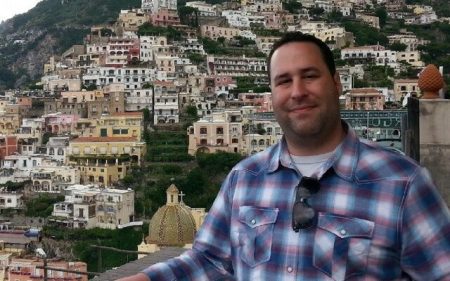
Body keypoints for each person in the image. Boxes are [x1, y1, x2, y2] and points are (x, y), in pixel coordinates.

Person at [118, 32, 450, 281]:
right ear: (272, 95)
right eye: (283, 81)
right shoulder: (244, 179)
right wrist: (147, 278)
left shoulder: (403, 183)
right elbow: (211, 261)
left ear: (336, 83)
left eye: (309, 75)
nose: (297, 91)